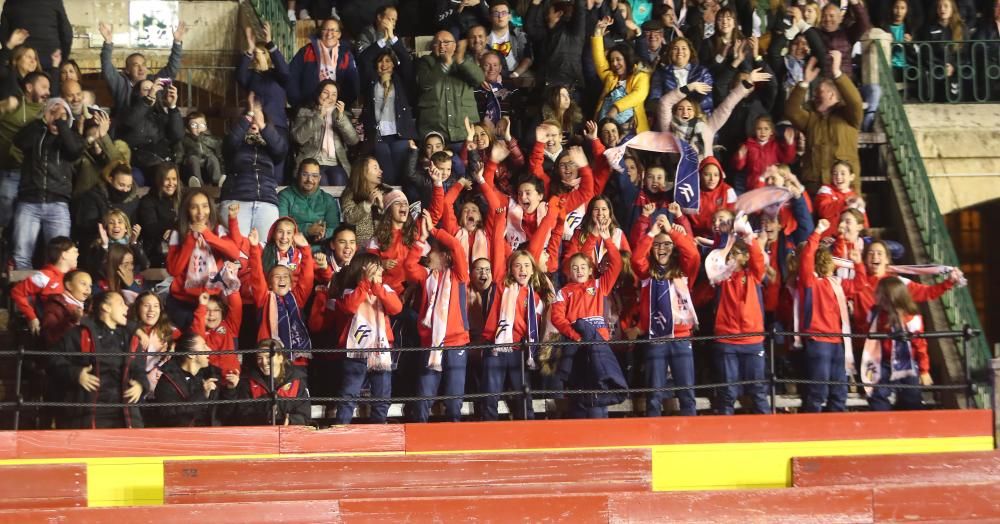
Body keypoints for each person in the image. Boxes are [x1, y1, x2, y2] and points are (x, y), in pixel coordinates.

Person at [404, 210, 472, 423]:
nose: (428, 256)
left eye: (431, 252)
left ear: (443, 256)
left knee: (454, 399)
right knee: (424, 397)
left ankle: (454, 438)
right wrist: (421, 239)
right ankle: (421, 436)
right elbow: (408, 267)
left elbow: (457, 247)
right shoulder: (426, 277)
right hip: (430, 342)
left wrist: (433, 230)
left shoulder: (460, 275)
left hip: (456, 342)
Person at [551, 231, 627, 419]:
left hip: (599, 343)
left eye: (583, 267)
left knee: (599, 386)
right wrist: (575, 335)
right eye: (574, 267)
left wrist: (606, 238)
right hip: (576, 345)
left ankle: (601, 429)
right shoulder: (564, 292)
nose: (579, 271)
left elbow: (617, 263)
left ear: (589, 269)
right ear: (569, 271)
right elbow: (557, 317)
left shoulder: (600, 285)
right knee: (582, 389)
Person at [632, 215, 701, 416]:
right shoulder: (646, 273)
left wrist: (671, 231)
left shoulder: (684, 271)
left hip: (680, 338)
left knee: (686, 394)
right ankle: (654, 435)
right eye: (657, 244)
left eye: (667, 244)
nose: (662, 248)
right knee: (654, 395)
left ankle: (690, 437)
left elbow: (693, 255)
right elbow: (636, 258)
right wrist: (652, 233)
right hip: (657, 338)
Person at [49, 291, 148, 429]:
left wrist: (140, 385)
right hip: (88, 410)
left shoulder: (131, 337)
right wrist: (77, 374)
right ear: (106, 308)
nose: (126, 308)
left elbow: (139, 369)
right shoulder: (79, 334)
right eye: (121, 303)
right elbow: (53, 359)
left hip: (125, 412)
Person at [798, 219, 863, 413]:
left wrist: (858, 264)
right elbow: (807, 255)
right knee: (818, 392)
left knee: (839, 392)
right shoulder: (810, 281)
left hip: (836, 342)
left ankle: (838, 432)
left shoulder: (837, 283)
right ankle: (813, 433)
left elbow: (859, 286)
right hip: (818, 341)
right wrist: (817, 231)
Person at [12, 97, 83, 269]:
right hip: (29, 201)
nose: (57, 117)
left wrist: (62, 125)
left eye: (63, 114)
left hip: (58, 203)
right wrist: (43, 121)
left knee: (60, 258)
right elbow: (20, 141)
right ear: (44, 114)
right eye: (53, 112)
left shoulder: (71, 137)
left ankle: (53, 296)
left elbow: (73, 151)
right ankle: (22, 295)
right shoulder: (35, 132)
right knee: (21, 255)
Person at [711, 220, 770, 415]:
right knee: (727, 393)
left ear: (745, 257)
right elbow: (711, 259)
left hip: (752, 340)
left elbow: (758, 260)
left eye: (735, 253)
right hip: (727, 340)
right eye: (729, 254)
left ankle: (768, 435)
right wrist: (723, 237)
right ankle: (725, 439)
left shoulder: (753, 274)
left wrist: (748, 237)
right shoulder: (719, 278)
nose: (731, 258)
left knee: (758, 391)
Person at [334, 253, 401, 424]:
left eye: (379, 269)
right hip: (356, 352)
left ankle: (377, 431)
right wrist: (364, 284)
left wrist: (377, 288)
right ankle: (341, 431)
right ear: (360, 270)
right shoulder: (349, 291)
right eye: (373, 268)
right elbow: (349, 307)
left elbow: (396, 308)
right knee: (349, 394)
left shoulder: (385, 290)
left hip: (381, 350)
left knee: (382, 396)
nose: (378, 272)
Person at [785, 50, 863, 194]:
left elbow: (856, 101)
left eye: (819, 91)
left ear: (832, 94)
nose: (815, 95)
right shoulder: (811, 118)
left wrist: (837, 73)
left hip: (843, 188)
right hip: (814, 186)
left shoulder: (849, 115)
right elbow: (791, 111)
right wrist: (805, 82)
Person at [165, 188, 241, 329]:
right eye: (194, 207)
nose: (201, 213)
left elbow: (234, 253)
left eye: (205, 206)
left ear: (211, 208)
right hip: (182, 303)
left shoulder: (217, 230)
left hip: (211, 302)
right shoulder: (178, 233)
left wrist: (207, 235)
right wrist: (190, 240)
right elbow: (174, 270)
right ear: (187, 210)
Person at [221, 92, 288, 238]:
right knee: (235, 254)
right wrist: (249, 114)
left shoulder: (269, 146)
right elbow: (230, 142)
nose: (254, 122)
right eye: (251, 119)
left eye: (257, 119)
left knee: (263, 253)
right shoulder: (237, 143)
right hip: (236, 200)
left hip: (266, 201)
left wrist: (263, 125)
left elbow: (281, 150)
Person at [862, 277, 932, 411]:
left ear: (893, 296)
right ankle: (883, 427)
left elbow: (920, 345)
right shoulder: (874, 313)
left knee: (911, 399)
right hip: (881, 362)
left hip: (907, 363)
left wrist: (924, 370)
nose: (877, 296)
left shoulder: (911, 317)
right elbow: (867, 335)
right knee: (877, 396)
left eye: (881, 294)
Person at [247, 227, 315, 363]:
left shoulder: (298, 297)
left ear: (291, 283)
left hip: (298, 360)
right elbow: (256, 276)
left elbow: (307, 278)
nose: (282, 279)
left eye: (285, 276)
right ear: (270, 284)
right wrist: (254, 248)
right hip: (270, 359)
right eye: (277, 277)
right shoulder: (264, 298)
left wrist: (306, 249)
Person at [359, 41, 417, 186]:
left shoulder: (400, 80)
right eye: (380, 61)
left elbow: (406, 61)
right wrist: (381, 41)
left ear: (393, 64)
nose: (384, 64)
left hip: (400, 135)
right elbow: (364, 59)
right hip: (378, 136)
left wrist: (393, 40)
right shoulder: (371, 81)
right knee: (387, 176)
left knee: (402, 176)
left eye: (388, 61)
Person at [97, 21, 185, 114]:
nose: (141, 68)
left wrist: (177, 43)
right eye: (136, 65)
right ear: (127, 70)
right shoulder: (120, 84)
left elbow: (171, 70)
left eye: (143, 64)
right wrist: (108, 42)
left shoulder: (155, 82)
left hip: (154, 126)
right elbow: (107, 67)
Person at [219, 339, 311, 426]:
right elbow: (243, 415)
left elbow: (305, 416)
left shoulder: (296, 382)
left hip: (289, 436)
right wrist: (266, 419)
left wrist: (289, 420)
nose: (263, 362)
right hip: (260, 436)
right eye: (259, 358)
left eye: (268, 357)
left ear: (280, 358)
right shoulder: (249, 382)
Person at [416, 30, 485, 144]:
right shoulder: (425, 61)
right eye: (437, 43)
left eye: (446, 42)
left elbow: (479, 78)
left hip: (465, 133)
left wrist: (460, 60)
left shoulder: (465, 60)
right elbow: (424, 83)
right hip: (435, 136)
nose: (442, 46)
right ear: (433, 47)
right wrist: (445, 64)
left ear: (454, 46)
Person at [0, 70, 48, 229]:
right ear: (29, 87)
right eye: (43, 87)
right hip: (10, 168)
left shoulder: (49, 109)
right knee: (6, 197)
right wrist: (3, 106)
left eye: (49, 88)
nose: (47, 92)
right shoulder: (14, 104)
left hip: (36, 171)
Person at [291, 80, 360, 185]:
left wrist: (341, 118)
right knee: (321, 180)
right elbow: (298, 138)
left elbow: (353, 140)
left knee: (339, 177)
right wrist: (319, 116)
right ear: (318, 94)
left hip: (336, 163)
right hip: (312, 161)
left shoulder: (343, 114)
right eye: (325, 93)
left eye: (334, 94)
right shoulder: (304, 112)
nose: (329, 97)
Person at [592, 16, 651, 133]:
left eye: (618, 59)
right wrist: (597, 33)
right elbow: (599, 61)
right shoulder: (610, 78)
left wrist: (615, 108)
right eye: (612, 60)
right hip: (607, 131)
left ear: (627, 59)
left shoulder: (641, 75)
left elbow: (638, 95)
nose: (614, 63)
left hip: (633, 132)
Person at [117, 80, 184, 180]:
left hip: (162, 162)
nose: (151, 92)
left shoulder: (161, 115)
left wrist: (172, 107)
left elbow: (177, 135)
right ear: (137, 94)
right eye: (146, 90)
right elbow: (130, 122)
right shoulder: (127, 111)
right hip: (138, 162)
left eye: (153, 89)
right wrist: (148, 100)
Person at [11, 236, 78, 334]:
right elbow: (17, 292)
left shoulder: (77, 275)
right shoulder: (44, 276)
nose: (78, 254)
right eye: (74, 251)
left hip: (75, 326)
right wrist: (32, 317)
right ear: (64, 255)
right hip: (54, 328)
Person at [288, 18, 360, 109]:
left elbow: (353, 81)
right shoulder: (307, 50)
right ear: (320, 32)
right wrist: (297, 103)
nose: (329, 33)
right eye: (326, 29)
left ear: (339, 34)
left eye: (333, 30)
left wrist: (344, 104)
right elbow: (292, 75)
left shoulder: (346, 55)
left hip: (336, 108)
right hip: (308, 108)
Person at [72, 162, 140, 255]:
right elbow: (84, 224)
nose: (125, 190)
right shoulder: (93, 196)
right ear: (110, 179)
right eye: (121, 185)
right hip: (96, 248)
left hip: (125, 249)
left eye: (128, 186)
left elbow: (133, 224)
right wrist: (108, 224)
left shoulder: (133, 200)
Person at [152, 333, 219, 427]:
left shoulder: (211, 375)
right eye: (204, 346)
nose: (210, 350)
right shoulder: (167, 381)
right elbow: (169, 415)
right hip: (182, 438)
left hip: (213, 436)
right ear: (191, 354)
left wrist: (231, 390)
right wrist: (202, 394)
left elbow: (223, 415)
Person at [278, 159, 342, 253]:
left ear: (320, 178)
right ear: (298, 175)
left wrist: (322, 233)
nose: (310, 180)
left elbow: (335, 228)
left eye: (314, 176)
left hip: (321, 251)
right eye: (305, 175)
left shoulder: (327, 199)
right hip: (291, 249)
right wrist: (308, 230)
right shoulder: (285, 196)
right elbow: (280, 227)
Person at [237, 22, 289, 133]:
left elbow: (284, 71)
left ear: (266, 55)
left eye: (258, 53)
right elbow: (240, 76)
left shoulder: (277, 74)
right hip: (254, 126)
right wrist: (250, 50)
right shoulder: (251, 75)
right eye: (253, 55)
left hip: (276, 125)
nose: (255, 57)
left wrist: (269, 43)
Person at [524, 0, 587, 89]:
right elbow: (529, 27)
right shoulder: (545, 33)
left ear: (559, 13)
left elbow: (580, 11)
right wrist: (535, 3)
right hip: (546, 85)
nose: (546, 15)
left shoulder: (574, 32)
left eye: (549, 12)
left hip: (570, 86)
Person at [649, 37, 715, 117]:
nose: (680, 51)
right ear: (670, 52)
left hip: (698, 118)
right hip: (670, 120)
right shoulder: (661, 73)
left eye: (684, 48)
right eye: (675, 48)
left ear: (690, 52)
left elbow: (706, 100)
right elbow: (655, 101)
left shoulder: (701, 72)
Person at [0, 0, 72, 69]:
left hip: (21, 62)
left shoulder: (11, 2)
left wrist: (9, 56)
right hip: (51, 61)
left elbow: (4, 35)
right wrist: (63, 59)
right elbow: (67, 34)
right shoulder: (54, 2)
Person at [137, 163, 182, 268]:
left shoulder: (181, 198)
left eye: (174, 179)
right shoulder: (148, 201)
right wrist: (176, 226)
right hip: (155, 253)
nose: (171, 183)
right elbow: (151, 228)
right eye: (167, 179)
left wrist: (175, 230)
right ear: (158, 180)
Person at [340, 156, 391, 247]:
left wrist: (382, 207)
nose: (381, 171)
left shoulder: (387, 192)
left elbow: (395, 220)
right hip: (360, 248)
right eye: (375, 168)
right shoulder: (350, 194)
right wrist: (367, 204)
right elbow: (348, 219)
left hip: (384, 245)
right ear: (363, 172)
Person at [817, 0, 871, 80]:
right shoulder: (816, 34)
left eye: (831, 16)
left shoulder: (847, 34)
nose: (827, 19)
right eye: (824, 16)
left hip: (844, 80)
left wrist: (855, 3)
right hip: (823, 82)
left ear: (840, 19)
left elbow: (864, 23)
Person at [40, 268, 91, 346]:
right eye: (83, 284)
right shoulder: (55, 306)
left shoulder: (88, 307)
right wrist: (71, 320)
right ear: (69, 285)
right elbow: (49, 337)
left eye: (90, 286)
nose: (88, 289)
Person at [487, 1, 534, 79]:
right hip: (492, 76)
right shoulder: (484, 36)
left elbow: (528, 58)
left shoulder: (519, 35)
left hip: (516, 75)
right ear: (490, 17)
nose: (500, 16)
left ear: (509, 16)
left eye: (504, 13)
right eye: (496, 13)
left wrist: (515, 74)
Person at [179, 112, 224, 187]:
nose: (198, 128)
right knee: (193, 159)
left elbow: (220, 155)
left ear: (206, 126)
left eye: (201, 125)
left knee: (212, 158)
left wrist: (223, 171)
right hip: (192, 165)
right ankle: (197, 182)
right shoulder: (185, 140)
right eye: (194, 125)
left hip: (207, 165)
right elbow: (180, 156)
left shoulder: (212, 139)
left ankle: (217, 181)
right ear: (188, 128)